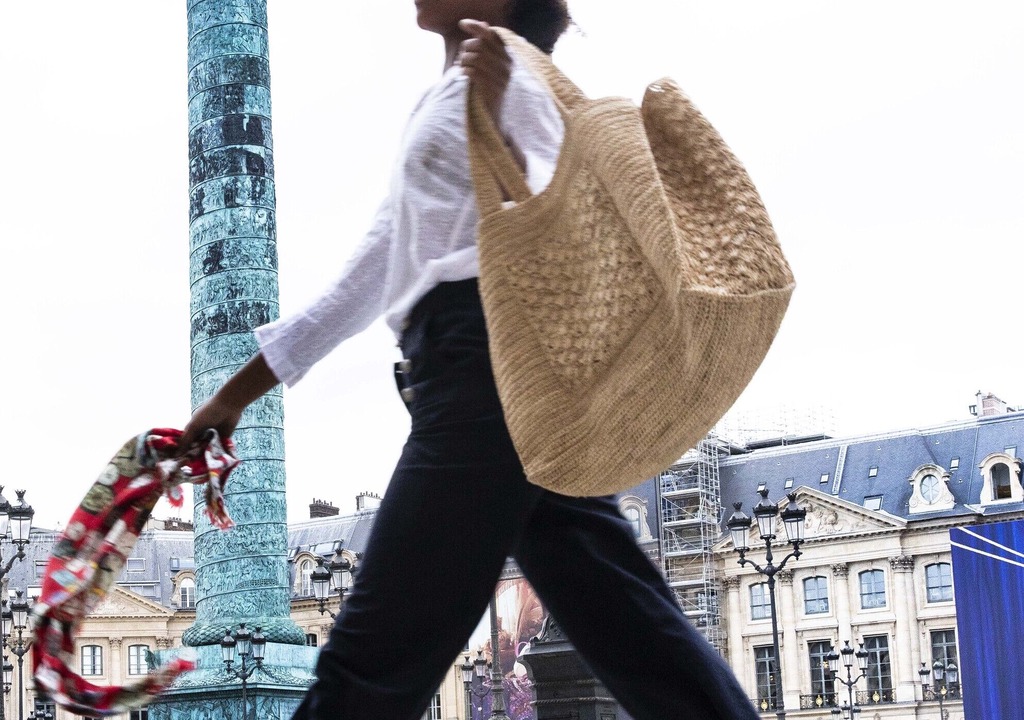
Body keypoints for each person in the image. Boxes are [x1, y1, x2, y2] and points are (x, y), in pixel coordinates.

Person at [182, 2, 762, 718]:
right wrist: (235, 394)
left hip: (487, 373)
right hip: (479, 375)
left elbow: (571, 226)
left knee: (374, 657)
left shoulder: (512, 77)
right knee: (638, 634)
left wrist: (502, 124)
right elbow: (371, 271)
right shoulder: (448, 94)